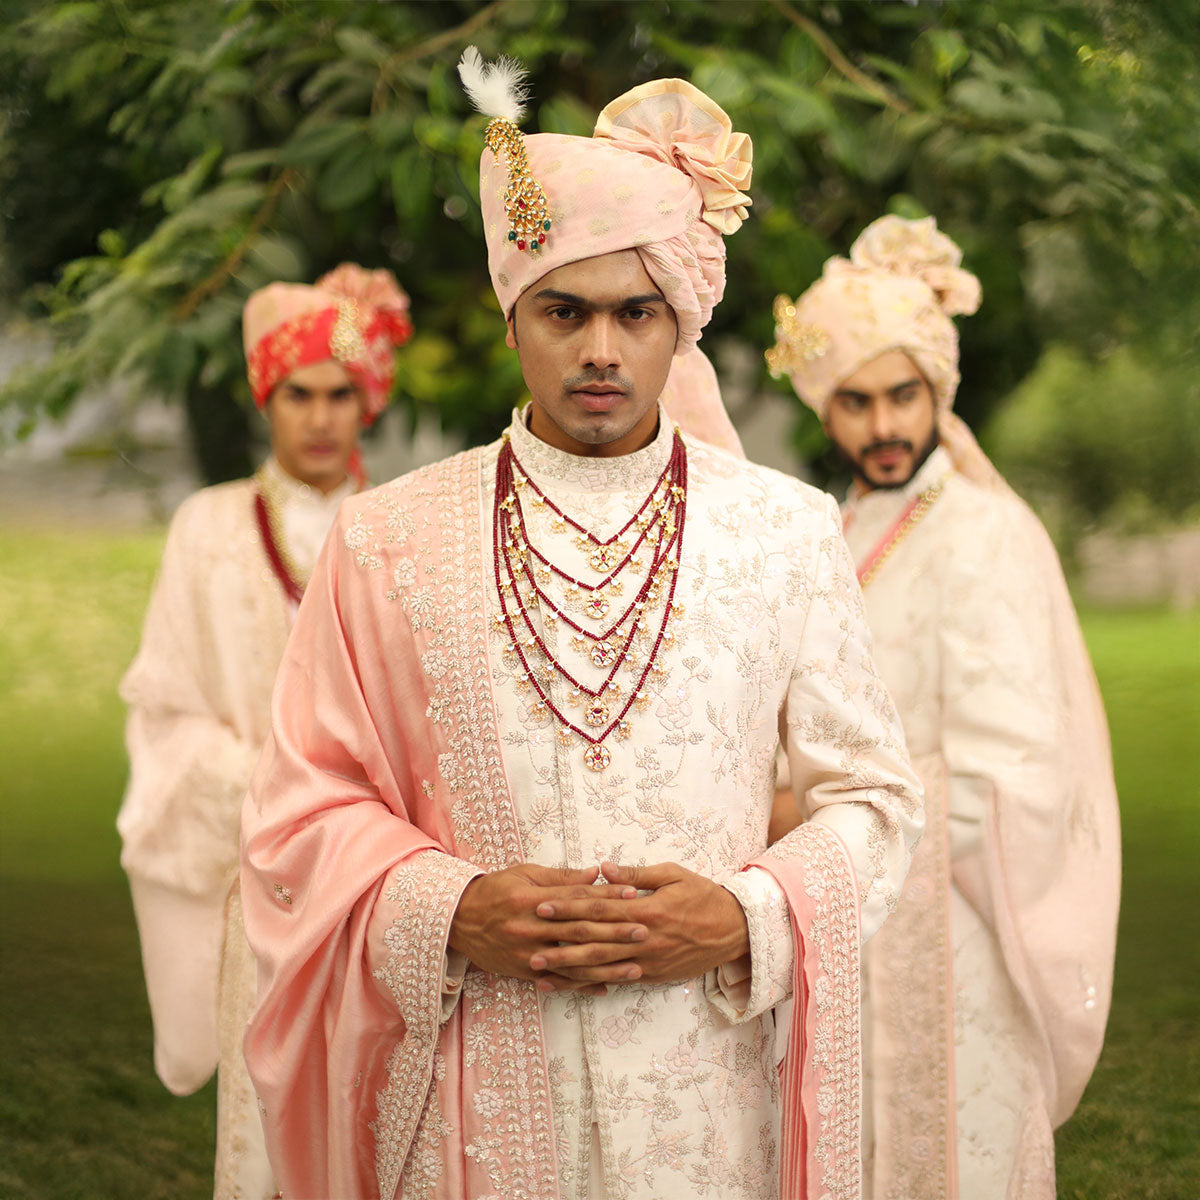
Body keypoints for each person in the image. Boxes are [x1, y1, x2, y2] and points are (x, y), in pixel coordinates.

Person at [239, 54, 923, 1200]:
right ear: (515, 320)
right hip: (477, 1098)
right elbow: (300, 811)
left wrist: (745, 917)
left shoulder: (784, 533)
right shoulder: (388, 540)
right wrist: (445, 905)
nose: (601, 350)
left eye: (634, 313)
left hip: (709, 1103)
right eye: (566, 310)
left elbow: (878, 801)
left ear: (677, 327)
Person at [767, 214, 1121, 1199]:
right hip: (841, 922)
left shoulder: (985, 532)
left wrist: (821, 823)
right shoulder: (832, 528)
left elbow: (1007, 780)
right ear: (822, 408)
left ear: (938, 390)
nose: (882, 426)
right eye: (854, 401)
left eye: (902, 395)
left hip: (955, 932)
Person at [116, 264, 413, 1200]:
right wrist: (271, 796)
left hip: (382, 879)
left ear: (367, 402)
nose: (320, 418)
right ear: (266, 399)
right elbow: (166, 706)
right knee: (267, 1120)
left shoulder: (400, 531)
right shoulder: (207, 529)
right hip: (264, 878)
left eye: (340, 394)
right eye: (299, 394)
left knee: (388, 1111)